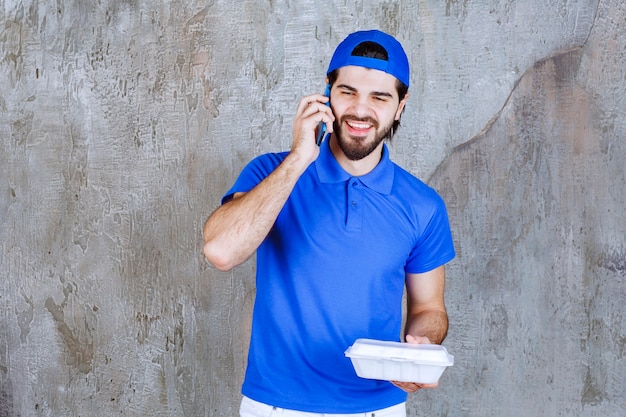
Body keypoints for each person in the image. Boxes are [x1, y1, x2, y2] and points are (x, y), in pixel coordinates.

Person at [203, 29, 456, 417]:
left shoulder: (423, 205)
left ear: (400, 106)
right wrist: (299, 159)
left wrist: (421, 345)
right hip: (274, 406)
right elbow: (220, 251)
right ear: (326, 94)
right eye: (348, 92)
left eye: (379, 97)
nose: (360, 109)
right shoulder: (271, 173)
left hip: (377, 408)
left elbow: (429, 308)